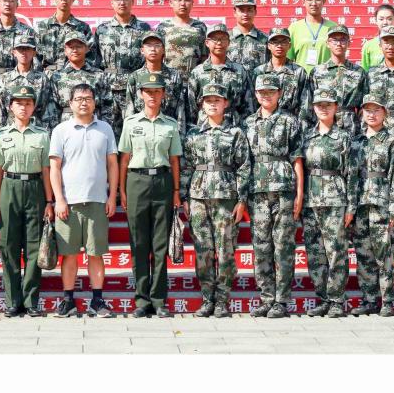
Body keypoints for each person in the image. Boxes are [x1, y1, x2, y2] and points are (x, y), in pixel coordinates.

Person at [49, 83, 119, 318]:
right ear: (70, 103)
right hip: (69, 203)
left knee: (96, 253)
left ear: (94, 102)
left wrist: (112, 196)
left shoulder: (105, 129)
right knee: (69, 254)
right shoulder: (61, 130)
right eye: (78, 99)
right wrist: (59, 199)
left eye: (88, 98)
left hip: (97, 201)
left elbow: (112, 165)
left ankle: (97, 301)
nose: (83, 103)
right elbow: (54, 167)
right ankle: (68, 300)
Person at [181, 83, 251, 318]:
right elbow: (186, 166)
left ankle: (222, 300)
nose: (212, 103)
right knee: (203, 250)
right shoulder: (193, 134)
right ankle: (207, 298)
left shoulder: (236, 133)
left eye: (217, 100)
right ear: (201, 104)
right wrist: (184, 197)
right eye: (208, 100)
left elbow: (243, 167)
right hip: (198, 197)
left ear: (225, 103)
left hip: (226, 198)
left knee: (226, 250)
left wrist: (242, 200)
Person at [119, 72, 184, 318]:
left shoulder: (170, 124)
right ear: (141, 94)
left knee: (160, 244)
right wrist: (122, 190)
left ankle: (158, 300)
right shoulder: (130, 123)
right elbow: (124, 159)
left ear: (163, 94)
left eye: (157, 91)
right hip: (137, 181)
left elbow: (174, 160)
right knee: (138, 243)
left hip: (163, 182)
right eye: (148, 91)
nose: (153, 95)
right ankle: (141, 300)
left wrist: (176, 191)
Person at [243, 74, 304, 318]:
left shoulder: (290, 121)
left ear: (279, 93)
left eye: (271, 91)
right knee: (261, 246)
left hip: (284, 189)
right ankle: (266, 297)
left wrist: (299, 193)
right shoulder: (248, 123)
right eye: (262, 92)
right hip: (257, 190)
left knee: (283, 245)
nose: (266, 95)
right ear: (256, 94)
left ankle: (282, 300)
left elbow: (297, 158)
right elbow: (244, 161)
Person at [0, 85, 55, 317]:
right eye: (19, 103)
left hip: (35, 188)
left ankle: (30, 300)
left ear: (34, 107)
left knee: (34, 246)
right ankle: (12, 300)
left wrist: (49, 201)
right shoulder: (2, 135)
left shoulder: (42, 135)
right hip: (9, 187)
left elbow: (47, 170)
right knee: (8, 245)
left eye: (28, 103)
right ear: (10, 107)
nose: (23, 107)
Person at [346, 92, 394, 317]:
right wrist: (350, 207)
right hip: (361, 205)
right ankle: (369, 299)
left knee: (384, 255)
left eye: (376, 110)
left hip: (382, 204)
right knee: (364, 255)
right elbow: (351, 177)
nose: (371, 114)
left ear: (385, 113)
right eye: (368, 110)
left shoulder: (392, 141)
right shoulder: (356, 142)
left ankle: (387, 300)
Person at [301, 88, 352, 318]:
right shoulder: (306, 136)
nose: (323, 108)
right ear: (313, 108)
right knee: (315, 252)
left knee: (336, 251)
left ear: (336, 108)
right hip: (310, 200)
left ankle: (336, 300)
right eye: (319, 105)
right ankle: (322, 297)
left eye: (328, 105)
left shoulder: (343, 137)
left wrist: (351, 205)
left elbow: (351, 173)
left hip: (335, 198)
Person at [93, 0, 152, 142]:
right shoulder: (102, 29)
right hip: (108, 90)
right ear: (111, 2)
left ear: (133, 1)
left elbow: (150, 59)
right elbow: (95, 62)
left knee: (135, 132)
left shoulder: (144, 29)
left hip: (134, 88)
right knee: (107, 134)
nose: (122, 2)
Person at [307, 24, 369, 137]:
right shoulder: (317, 72)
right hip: (325, 126)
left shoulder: (359, 72)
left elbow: (364, 107)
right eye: (334, 40)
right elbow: (309, 105)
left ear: (349, 43)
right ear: (328, 43)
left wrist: (363, 132)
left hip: (351, 128)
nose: (339, 44)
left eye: (343, 40)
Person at [187, 23, 254, 127]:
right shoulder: (197, 72)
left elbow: (248, 106)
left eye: (223, 39)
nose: (219, 42)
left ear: (229, 42)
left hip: (232, 128)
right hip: (205, 129)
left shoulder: (239, 71)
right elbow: (191, 108)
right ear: (207, 43)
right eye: (214, 39)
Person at [125, 32, 189, 137]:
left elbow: (180, 109)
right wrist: (130, 136)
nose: (153, 49)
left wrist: (180, 136)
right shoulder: (135, 77)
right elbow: (130, 109)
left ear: (163, 50)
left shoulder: (174, 76)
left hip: (168, 131)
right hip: (142, 132)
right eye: (148, 45)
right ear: (142, 50)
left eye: (157, 45)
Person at [48, 32, 113, 128]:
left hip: (94, 125)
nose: (75, 50)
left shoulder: (99, 75)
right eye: (71, 47)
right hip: (66, 126)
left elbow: (108, 105)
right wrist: (56, 130)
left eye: (79, 46)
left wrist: (105, 127)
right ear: (65, 51)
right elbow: (52, 109)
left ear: (86, 49)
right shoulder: (57, 77)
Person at [0, 33, 56, 129]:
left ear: (34, 52)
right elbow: (0, 111)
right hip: (10, 129)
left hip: (35, 128)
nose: (24, 52)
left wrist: (47, 132)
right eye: (20, 49)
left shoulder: (42, 79)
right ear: (14, 52)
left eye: (28, 49)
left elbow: (48, 110)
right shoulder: (4, 79)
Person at [36, 0, 99, 72]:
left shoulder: (82, 27)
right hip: (48, 75)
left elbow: (91, 56)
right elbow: (34, 56)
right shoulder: (42, 27)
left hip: (75, 76)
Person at [252, 28, 311, 120]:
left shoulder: (299, 71)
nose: (279, 46)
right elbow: (252, 102)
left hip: (291, 122)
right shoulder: (259, 71)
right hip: (264, 121)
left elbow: (305, 104)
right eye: (275, 42)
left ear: (289, 45)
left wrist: (301, 125)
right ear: (268, 46)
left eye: (284, 42)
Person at [156, 0, 208, 81]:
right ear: (171, 3)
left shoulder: (200, 27)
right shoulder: (163, 27)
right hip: (170, 80)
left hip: (194, 80)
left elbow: (205, 56)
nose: (183, 4)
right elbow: (157, 57)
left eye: (186, 0)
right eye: (179, 0)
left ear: (192, 3)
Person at [286, 0, 340, 72]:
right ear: (303, 2)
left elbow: (339, 57)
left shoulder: (333, 27)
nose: (314, 3)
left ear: (324, 1)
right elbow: (288, 59)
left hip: (327, 78)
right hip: (301, 79)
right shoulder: (294, 28)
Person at [359, 4, 394, 69]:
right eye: (381, 19)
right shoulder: (368, 45)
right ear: (376, 21)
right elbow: (365, 71)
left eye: (389, 19)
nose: (385, 22)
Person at [228, 0, 269, 72]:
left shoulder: (265, 39)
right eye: (241, 10)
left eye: (249, 10)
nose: (245, 14)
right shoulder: (226, 38)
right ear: (235, 12)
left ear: (255, 12)